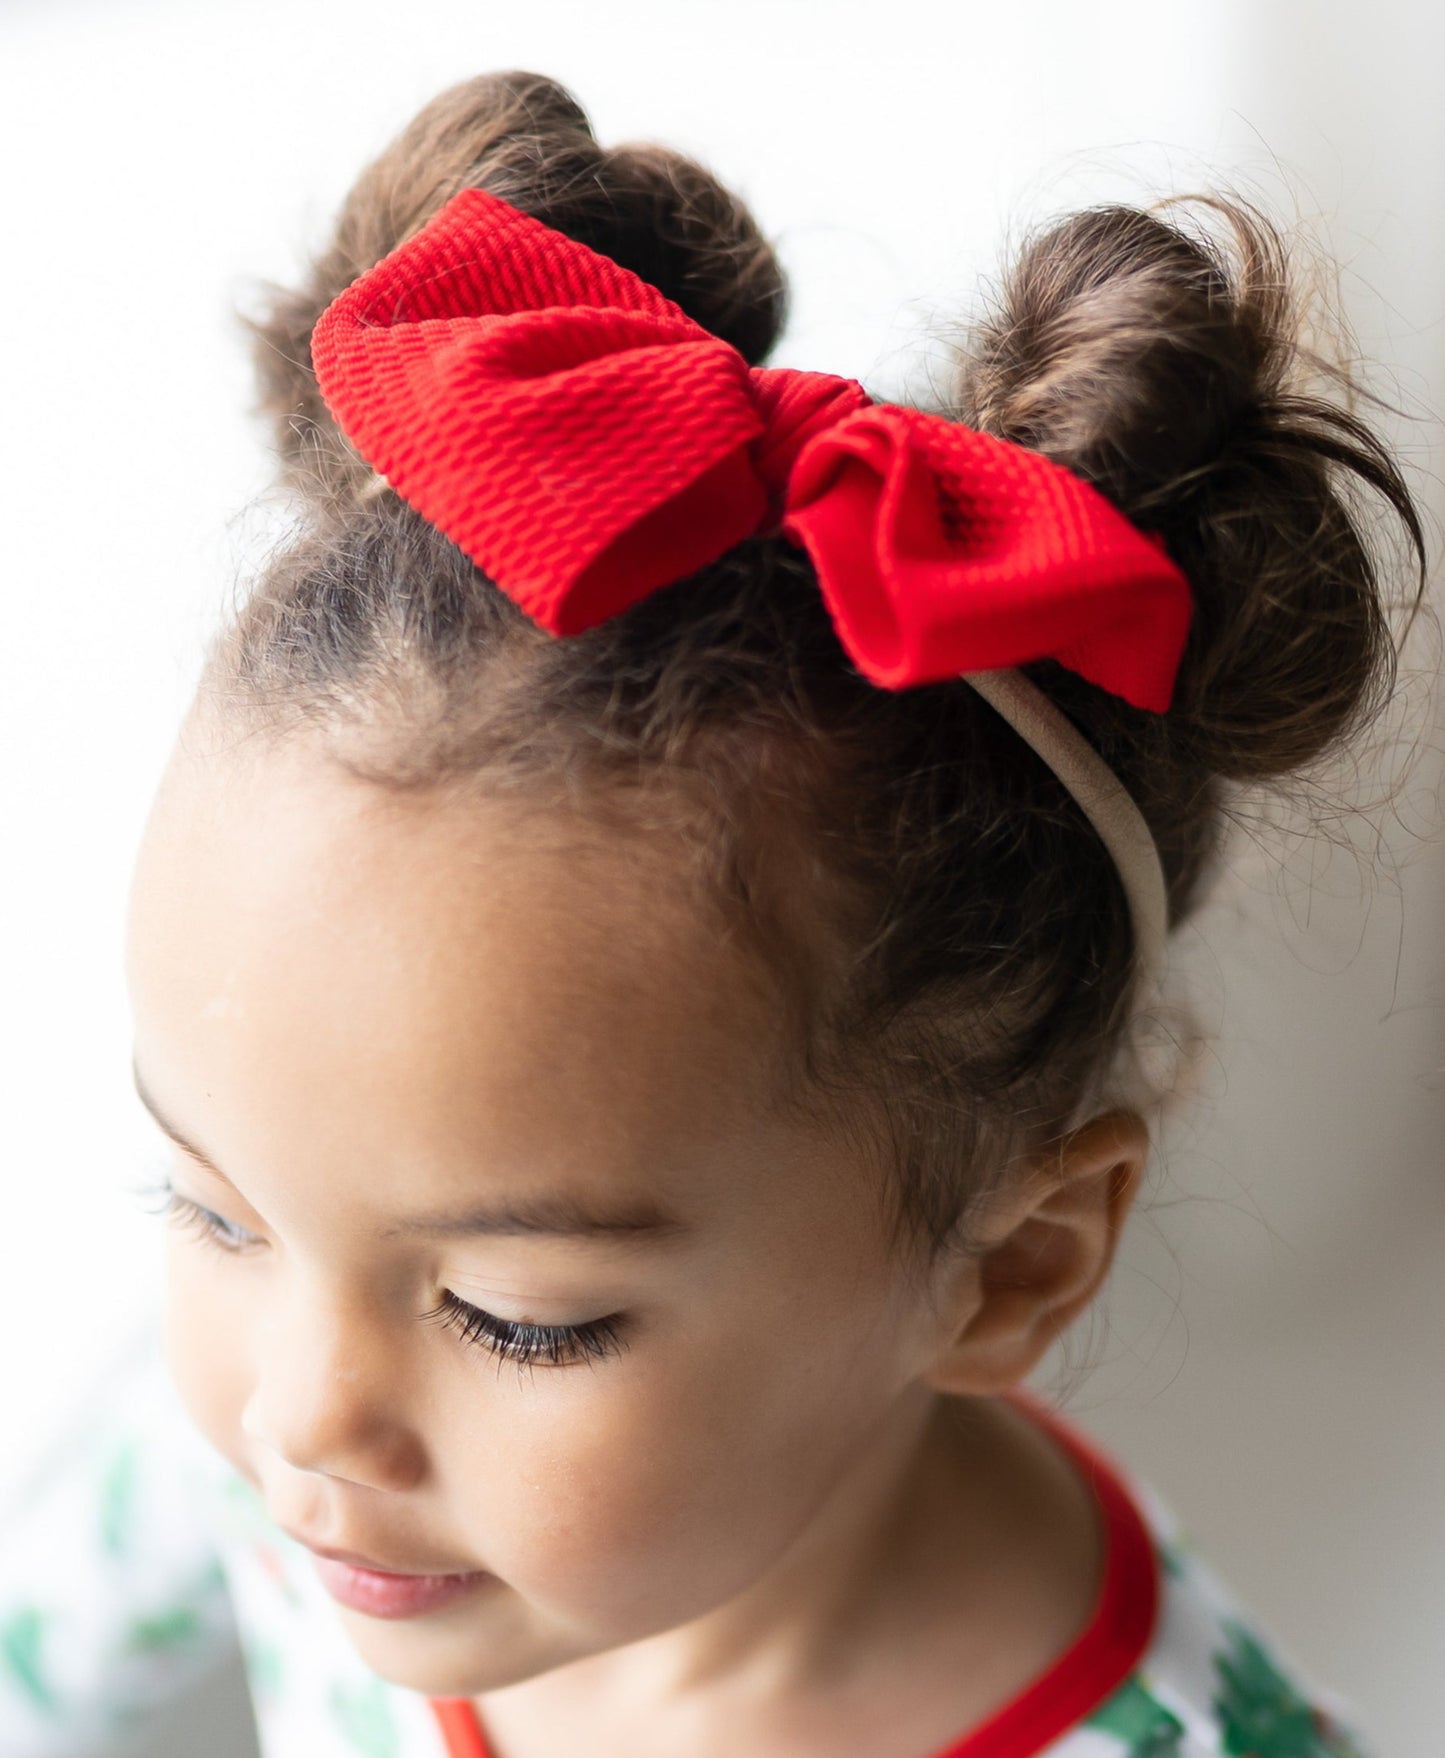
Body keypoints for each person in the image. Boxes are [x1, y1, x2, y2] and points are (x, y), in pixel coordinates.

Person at [0, 67, 1426, 1758]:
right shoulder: (299, 1431)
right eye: (213, 1208)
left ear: (1011, 1261)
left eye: (520, 1317)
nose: (296, 1412)